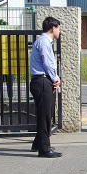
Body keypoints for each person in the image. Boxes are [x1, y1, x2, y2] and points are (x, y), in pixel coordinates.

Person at [30, 16, 62, 158]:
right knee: (45, 115)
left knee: (45, 113)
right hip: (42, 80)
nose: (59, 32)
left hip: (42, 81)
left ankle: (38, 143)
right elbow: (48, 63)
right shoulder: (44, 41)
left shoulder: (43, 41)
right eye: (58, 29)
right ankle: (44, 149)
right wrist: (55, 78)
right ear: (52, 28)